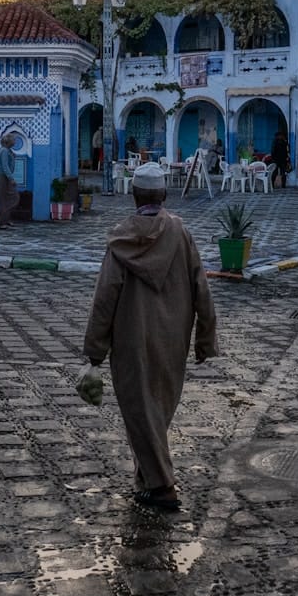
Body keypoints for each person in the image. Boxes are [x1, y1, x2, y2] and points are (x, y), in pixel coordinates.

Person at [83, 163, 217, 511]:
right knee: (155, 412)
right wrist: (205, 340)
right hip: (173, 339)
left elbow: (105, 297)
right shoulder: (180, 233)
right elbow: (201, 286)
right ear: (164, 195)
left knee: (141, 413)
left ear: (134, 196)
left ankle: (161, 487)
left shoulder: (121, 239)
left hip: (132, 342)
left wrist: (95, 351)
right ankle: (148, 480)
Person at [0, 132, 18, 230]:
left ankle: (5, 219)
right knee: (3, 199)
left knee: (8, 198)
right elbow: (5, 166)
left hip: (4, 177)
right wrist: (11, 178)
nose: (15, 142)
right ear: (9, 141)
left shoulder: (6, 150)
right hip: (2, 177)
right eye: (13, 140)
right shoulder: (4, 151)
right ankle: (1, 222)